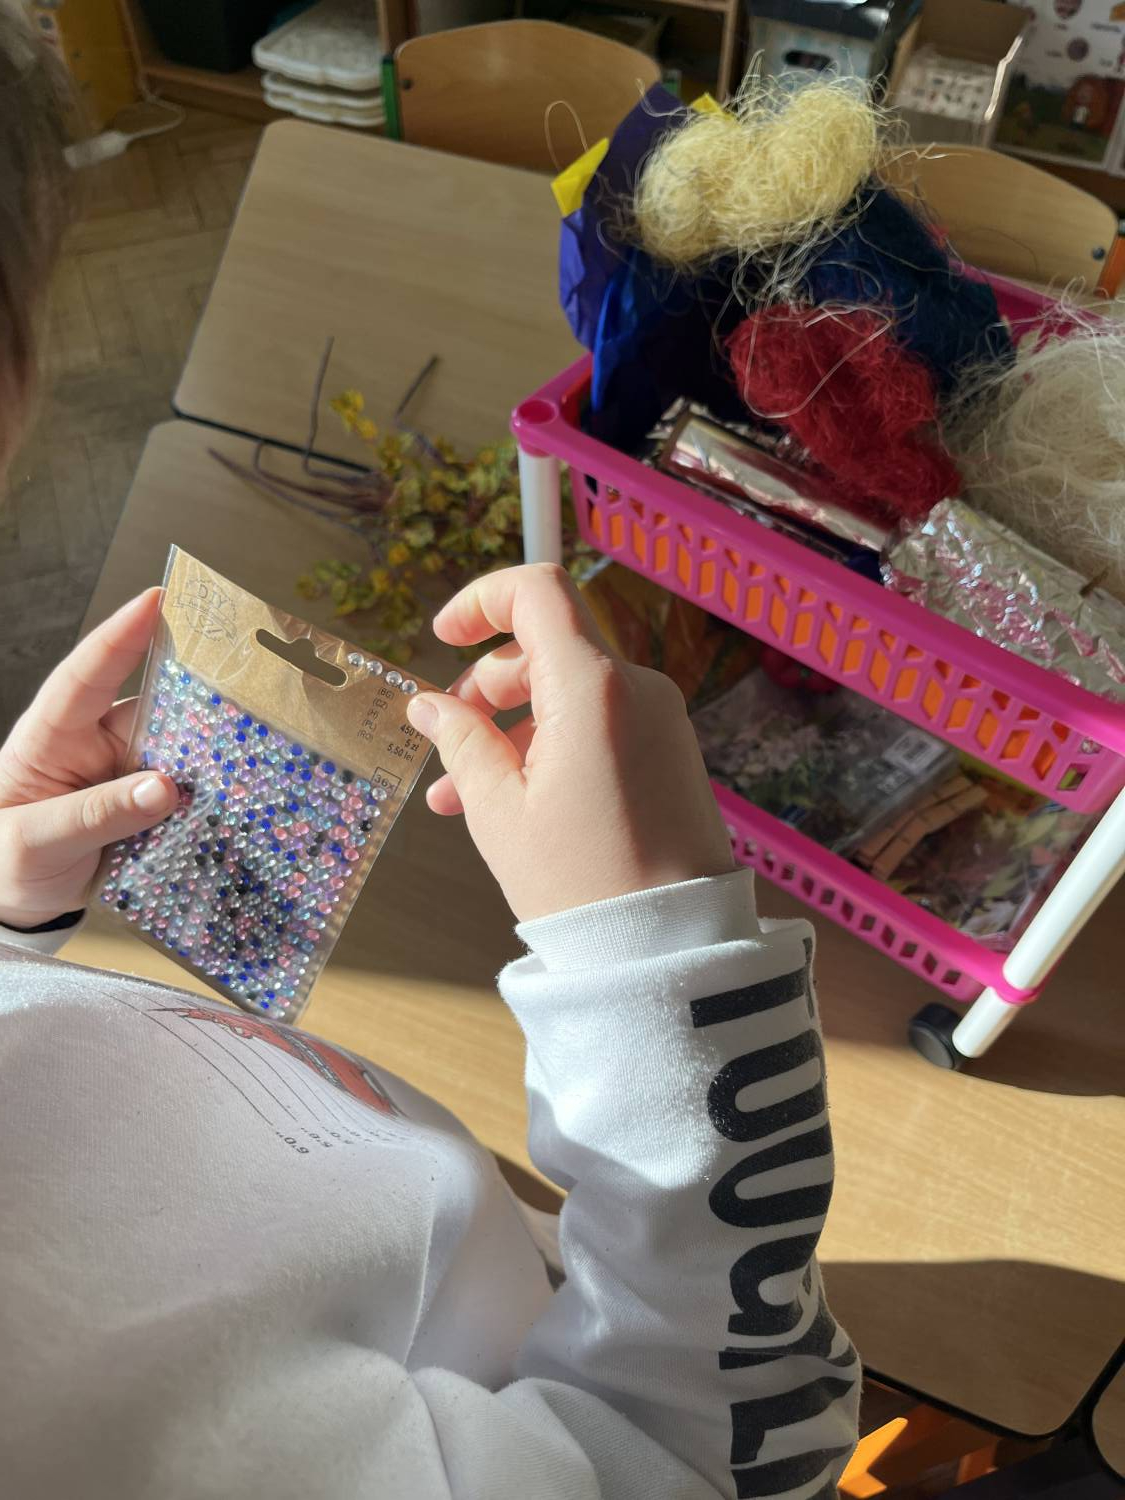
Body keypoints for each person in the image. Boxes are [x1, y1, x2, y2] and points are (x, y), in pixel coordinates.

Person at [0, 7, 859, 1497]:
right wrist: (658, 974)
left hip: (491, 1221)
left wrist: (12, 917)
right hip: (620, 1312)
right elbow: (694, 1461)